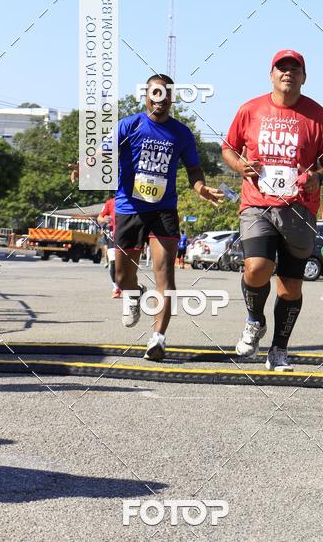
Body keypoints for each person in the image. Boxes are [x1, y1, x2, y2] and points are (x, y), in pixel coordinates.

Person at [84, 73, 223, 362]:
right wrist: (86, 163)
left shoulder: (182, 134)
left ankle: (158, 338)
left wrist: (200, 187)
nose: (159, 99)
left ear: (172, 98)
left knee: (166, 274)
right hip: (129, 208)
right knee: (122, 277)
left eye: (165, 94)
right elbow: (102, 152)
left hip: (164, 210)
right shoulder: (129, 125)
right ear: (146, 96)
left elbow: (194, 170)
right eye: (154, 94)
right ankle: (133, 293)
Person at [222, 50, 323, 372]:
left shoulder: (317, 116)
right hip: (257, 204)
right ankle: (253, 320)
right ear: (271, 74)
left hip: (299, 209)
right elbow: (228, 148)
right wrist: (240, 165)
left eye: (294, 69)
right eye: (281, 68)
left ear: (304, 77)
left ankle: (279, 350)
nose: (287, 73)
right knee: (257, 268)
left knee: (291, 286)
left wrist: (318, 177)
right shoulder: (250, 109)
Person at [97, 195, 120, 298]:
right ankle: (115, 287)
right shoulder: (110, 202)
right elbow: (99, 218)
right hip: (112, 235)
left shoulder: (133, 200)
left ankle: (127, 285)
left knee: (125, 263)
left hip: (126, 234)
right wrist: (104, 219)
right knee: (113, 262)